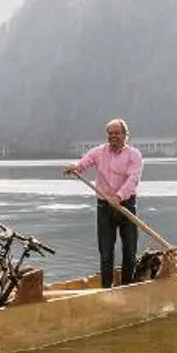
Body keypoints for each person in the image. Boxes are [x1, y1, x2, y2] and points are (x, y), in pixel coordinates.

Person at [66, 119, 145, 288]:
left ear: (125, 135)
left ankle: (127, 287)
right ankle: (106, 289)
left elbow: (133, 179)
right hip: (104, 207)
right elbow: (83, 163)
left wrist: (119, 196)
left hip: (126, 205)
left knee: (130, 252)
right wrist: (74, 167)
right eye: (110, 133)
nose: (113, 136)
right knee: (106, 253)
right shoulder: (98, 152)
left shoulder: (134, 155)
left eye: (117, 133)